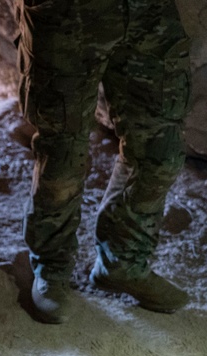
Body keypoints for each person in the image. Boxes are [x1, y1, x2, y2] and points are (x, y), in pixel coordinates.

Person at [16, 0, 193, 323]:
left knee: (161, 150)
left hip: (147, 12)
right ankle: (52, 268)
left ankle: (122, 263)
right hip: (68, 12)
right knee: (63, 155)